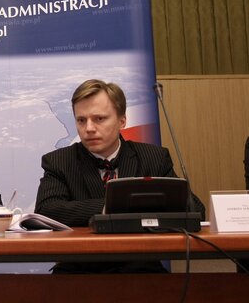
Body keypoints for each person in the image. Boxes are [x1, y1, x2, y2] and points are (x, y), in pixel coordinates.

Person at [34, 79, 206, 274]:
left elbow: (196, 209)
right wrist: (114, 206)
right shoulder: (60, 161)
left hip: (141, 269)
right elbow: (47, 211)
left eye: (99, 119)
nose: (89, 128)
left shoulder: (153, 158)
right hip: (79, 270)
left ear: (122, 121)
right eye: (81, 120)